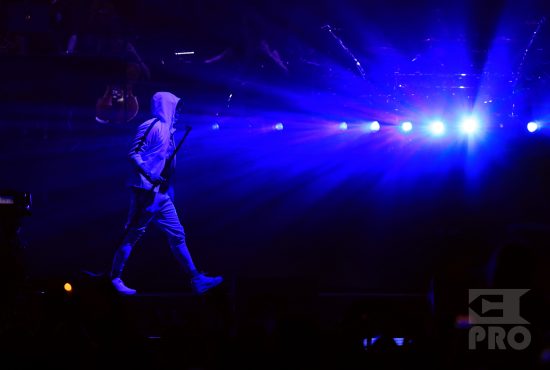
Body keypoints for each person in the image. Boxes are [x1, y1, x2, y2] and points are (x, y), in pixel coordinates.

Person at [110, 91, 223, 295]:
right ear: (166, 106)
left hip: (161, 195)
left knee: (177, 234)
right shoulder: (152, 125)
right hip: (145, 189)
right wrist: (150, 175)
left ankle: (196, 279)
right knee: (133, 234)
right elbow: (133, 154)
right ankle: (114, 278)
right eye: (176, 107)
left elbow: (168, 167)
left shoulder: (169, 133)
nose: (178, 112)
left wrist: (168, 189)